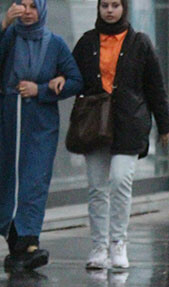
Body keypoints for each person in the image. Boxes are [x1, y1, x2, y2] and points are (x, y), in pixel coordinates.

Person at [72, 0, 169, 270]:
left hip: (129, 124)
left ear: (124, 9)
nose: (110, 10)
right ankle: (99, 246)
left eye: (116, 5)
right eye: (105, 5)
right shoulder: (87, 42)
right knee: (96, 187)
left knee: (119, 181)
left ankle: (118, 242)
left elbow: (155, 87)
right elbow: (71, 74)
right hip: (94, 124)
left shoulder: (140, 42)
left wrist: (165, 125)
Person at [0, 0, 82, 271]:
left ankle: (28, 241)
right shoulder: (10, 36)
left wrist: (45, 88)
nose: (26, 11)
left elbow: (75, 80)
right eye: (21, 4)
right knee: (8, 176)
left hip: (40, 122)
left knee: (34, 178)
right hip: (9, 116)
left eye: (33, 6)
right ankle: (16, 241)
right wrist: (3, 24)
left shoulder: (54, 43)